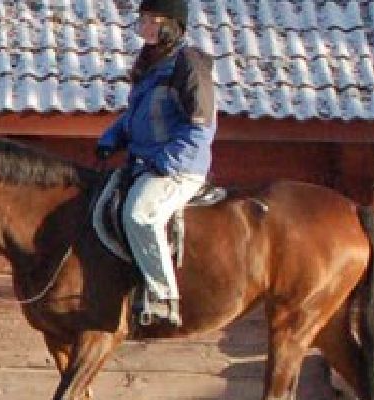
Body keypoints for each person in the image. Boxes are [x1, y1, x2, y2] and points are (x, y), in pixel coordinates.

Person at [94, 0, 217, 328]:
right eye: (142, 20)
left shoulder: (187, 65)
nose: (144, 27)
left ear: (171, 25)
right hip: (144, 162)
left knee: (140, 214)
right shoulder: (149, 65)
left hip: (178, 166)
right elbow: (137, 116)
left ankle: (163, 297)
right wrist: (111, 137)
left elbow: (201, 126)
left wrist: (167, 162)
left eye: (152, 20)